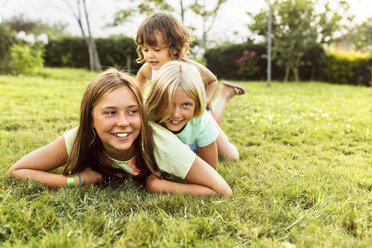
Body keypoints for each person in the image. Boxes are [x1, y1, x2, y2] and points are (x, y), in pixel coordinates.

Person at [7, 68, 232, 197]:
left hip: (195, 133)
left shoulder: (162, 144)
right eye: (110, 112)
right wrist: (75, 181)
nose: (123, 122)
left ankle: (223, 97)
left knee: (224, 145)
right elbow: (18, 170)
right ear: (91, 118)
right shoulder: (80, 138)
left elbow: (222, 190)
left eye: (132, 111)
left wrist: (160, 185)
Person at [135, 12, 244, 161]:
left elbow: (211, 81)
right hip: (174, 114)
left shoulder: (188, 67)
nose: (149, 56)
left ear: (175, 46)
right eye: (145, 49)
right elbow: (140, 79)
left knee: (231, 156)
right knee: (190, 149)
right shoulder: (149, 68)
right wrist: (137, 98)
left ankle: (224, 95)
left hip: (195, 111)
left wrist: (204, 102)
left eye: (156, 50)